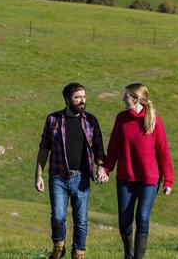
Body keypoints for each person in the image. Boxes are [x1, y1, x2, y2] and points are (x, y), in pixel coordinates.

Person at [34, 82, 108, 259]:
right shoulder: (53, 120)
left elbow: (99, 148)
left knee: (81, 220)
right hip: (58, 176)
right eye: (77, 97)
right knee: (58, 216)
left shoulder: (91, 120)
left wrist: (101, 168)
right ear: (67, 100)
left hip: (81, 177)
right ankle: (59, 246)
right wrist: (38, 175)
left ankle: (78, 252)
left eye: (84, 96)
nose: (82, 100)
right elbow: (44, 148)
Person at [104, 83, 174, 259]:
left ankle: (138, 257)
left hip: (149, 180)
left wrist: (168, 180)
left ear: (136, 98)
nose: (123, 98)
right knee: (124, 221)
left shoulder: (154, 120)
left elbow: (163, 150)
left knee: (142, 217)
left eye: (126, 96)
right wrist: (106, 169)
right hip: (125, 178)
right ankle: (128, 253)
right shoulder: (121, 118)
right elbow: (113, 147)